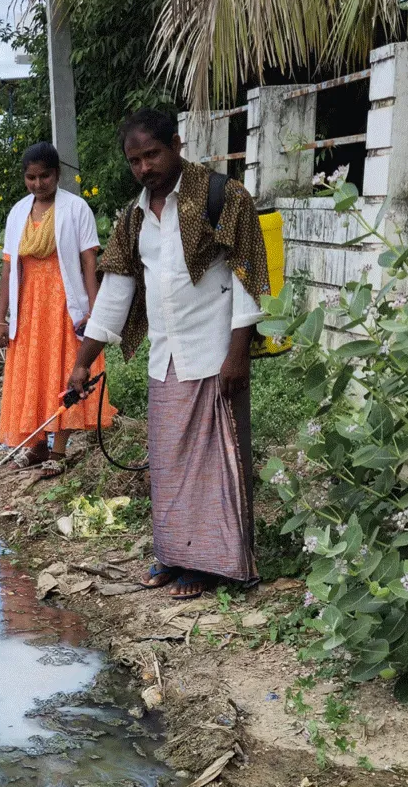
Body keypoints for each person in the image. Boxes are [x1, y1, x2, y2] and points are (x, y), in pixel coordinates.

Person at [67, 109, 269, 600]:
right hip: (166, 357)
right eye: (134, 160)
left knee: (216, 463)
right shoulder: (133, 217)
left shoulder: (223, 197)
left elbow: (248, 278)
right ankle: (176, 555)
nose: (144, 168)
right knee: (169, 464)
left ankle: (211, 564)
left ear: (176, 145)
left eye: (152, 155)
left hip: (215, 353)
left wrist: (237, 355)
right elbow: (115, 293)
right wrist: (81, 361)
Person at [0, 142, 116, 475]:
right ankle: (35, 446)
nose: (38, 184)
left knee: (62, 372)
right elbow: (9, 269)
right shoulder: (18, 212)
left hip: (65, 306)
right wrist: (0, 319)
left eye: (44, 176)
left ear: (57, 174)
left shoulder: (77, 209)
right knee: (32, 373)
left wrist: (95, 311)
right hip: (29, 309)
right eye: (31, 178)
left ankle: (58, 451)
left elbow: (89, 263)